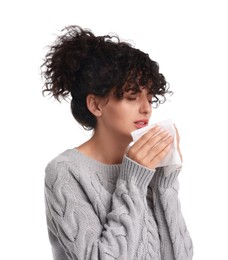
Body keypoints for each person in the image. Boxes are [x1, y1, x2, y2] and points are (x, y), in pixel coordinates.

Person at [41, 25, 193, 260]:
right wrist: (132, 182)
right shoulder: (65, 171)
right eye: (132, 97)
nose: (146, 108)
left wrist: (165, 182)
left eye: (150, 98)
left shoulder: (148, 168)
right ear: (96, 105)